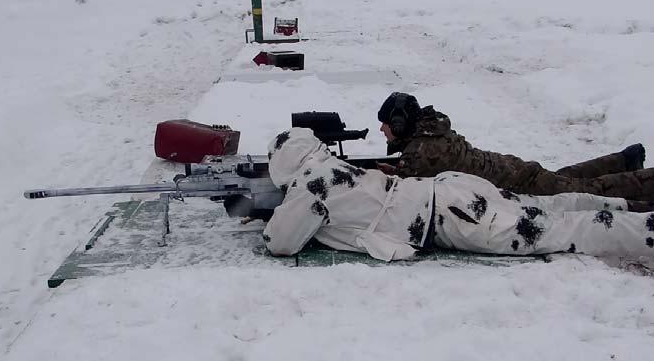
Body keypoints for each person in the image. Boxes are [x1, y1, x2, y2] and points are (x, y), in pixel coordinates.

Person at [262, 127, 654, 261]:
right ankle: (628, 205)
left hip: (453, 218)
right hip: (452, 191)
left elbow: (282, 243)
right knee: (550, 207)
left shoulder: (308, 187)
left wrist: (263, 214)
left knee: (564, 231)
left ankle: (645, 227)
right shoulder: (330, 166)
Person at [374, 92, 654, 209]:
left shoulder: (422, 150)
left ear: (400, 123)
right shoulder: (430, 133)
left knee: (587, 191)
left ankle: (645, 179)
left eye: (386, 124)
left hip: (515, 185)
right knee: (566, 179)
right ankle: (625, 160)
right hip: (513, 172)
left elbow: (405, 192)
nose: (383, 131)